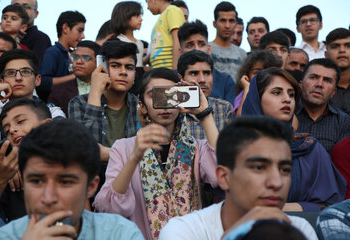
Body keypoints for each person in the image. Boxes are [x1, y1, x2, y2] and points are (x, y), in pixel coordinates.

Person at [94, 67, 219, 240]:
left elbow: (223, 174)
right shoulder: (123, 148)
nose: (166, 103)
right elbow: (109, 208)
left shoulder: (196, 148)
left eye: (172, 95)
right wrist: (134, 158)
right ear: (143, 106)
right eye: (156, 95)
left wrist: (205, 114)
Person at [159, 116, 317, 240]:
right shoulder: (184, 231)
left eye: (284, 169)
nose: (276, 182)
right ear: (224, 177)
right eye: (258, 167)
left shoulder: (299, 229)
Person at [0, 119, 145, 239]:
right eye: (37, 181)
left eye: (65, 182)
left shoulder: (120, 234)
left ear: (91, 186)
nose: (49, 198)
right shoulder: (1, 237)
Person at [241, 67, 346, 211]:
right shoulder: (236, 147)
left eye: (291, 95)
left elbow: (329, 205)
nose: (287, 99)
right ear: (256, 99)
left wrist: (282, 208)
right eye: (276, 92)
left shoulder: (309, 148)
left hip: (301, 230)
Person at [68, 39, 137, 149]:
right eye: (115, 66)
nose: (123, 72)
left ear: (134, 75)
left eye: (129, 68)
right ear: (102, 68)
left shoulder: (139, 105)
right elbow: (86, 150)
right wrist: (95, 92)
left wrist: (110, 155)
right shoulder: (78, 103)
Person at [296, 58, 350, 152]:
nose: (319, 84)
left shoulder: (344, 123)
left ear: (334, 92)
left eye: (327, 80)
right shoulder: (286, 115)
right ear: (301, 85)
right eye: (313, 77)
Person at [0, 49, 65, 120]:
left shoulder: (52, 112)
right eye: (11, 73)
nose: (18, 78)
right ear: (2, 83)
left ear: (37, 80)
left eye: (25, 72)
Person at [178, 50, 232, 140]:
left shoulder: (224, 109)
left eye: (207, 73)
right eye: (194, 73)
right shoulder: (172, 111)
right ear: (181, 78)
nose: (202, 79)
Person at [178, 19, 235, 104]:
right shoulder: (171, 80)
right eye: (190, 45)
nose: (197, 49)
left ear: (209, 49)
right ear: (180, 52)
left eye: (201, 44)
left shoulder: (225, 80)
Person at [39, 11, 85, 101]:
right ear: (65, 28)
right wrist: (74, 76)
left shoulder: (72, 54)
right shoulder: (53, 52)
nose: (83, 36)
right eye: (79, 31)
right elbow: (43, 82)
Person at [48, 40, 100, 115]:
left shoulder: (108, 88)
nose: (78, 61)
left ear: (97, 62)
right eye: (75, 57)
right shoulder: (58, 91)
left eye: (86, 58)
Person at [111, 1, 144, 95]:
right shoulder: (118, 41)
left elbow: (140, 63)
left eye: (140, 16)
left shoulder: (140, 43)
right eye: (137, 16)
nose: (141, 19)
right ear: (124, 17)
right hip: (127, 78)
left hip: (140, 80)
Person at [234, 50, 282, 115]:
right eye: (256, 72)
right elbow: (240, 118)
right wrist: (247, 88)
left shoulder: (281, 92)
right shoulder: (244, 94)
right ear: (247, 75)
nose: (263, 75)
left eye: (268, 71)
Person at [210, 1, 246, 81]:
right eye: (223, 20)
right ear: (214, 24)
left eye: (231, 21)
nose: (227, 26)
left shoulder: (242, 54)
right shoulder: (206, 49)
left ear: (236, 24)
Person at [147, 0, 185, 69]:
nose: (147, 7)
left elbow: (177, 39)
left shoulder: (172, 10)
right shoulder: (163, 16)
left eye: (147, 2)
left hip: (170, 69)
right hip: (159, 70)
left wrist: (175, 68)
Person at [12, 0, 51, 65]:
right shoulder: (0, 35)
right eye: (16, 6)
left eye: (26, 6)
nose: (21, 9)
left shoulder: (41, 39)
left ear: (36, 14)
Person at [325, 28, 350, 115]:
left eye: (348, 46)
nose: (342, 50)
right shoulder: (318, 87)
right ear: (326, 55)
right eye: (335, 46)